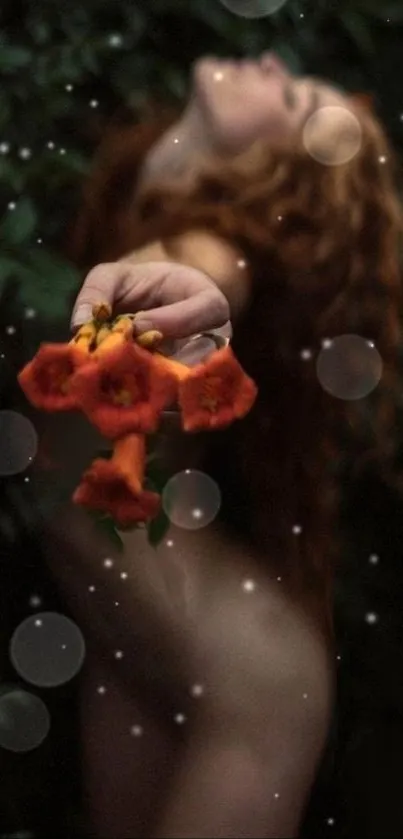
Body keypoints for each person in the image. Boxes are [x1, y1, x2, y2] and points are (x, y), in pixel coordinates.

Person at [44, 53, 403, 838]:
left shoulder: (210, 251)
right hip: (148, 612)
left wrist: (182, 314)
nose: (274, 61)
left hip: (246, 667)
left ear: (278, 168)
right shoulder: (143, 209)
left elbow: (200, 283)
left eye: (296, 97)